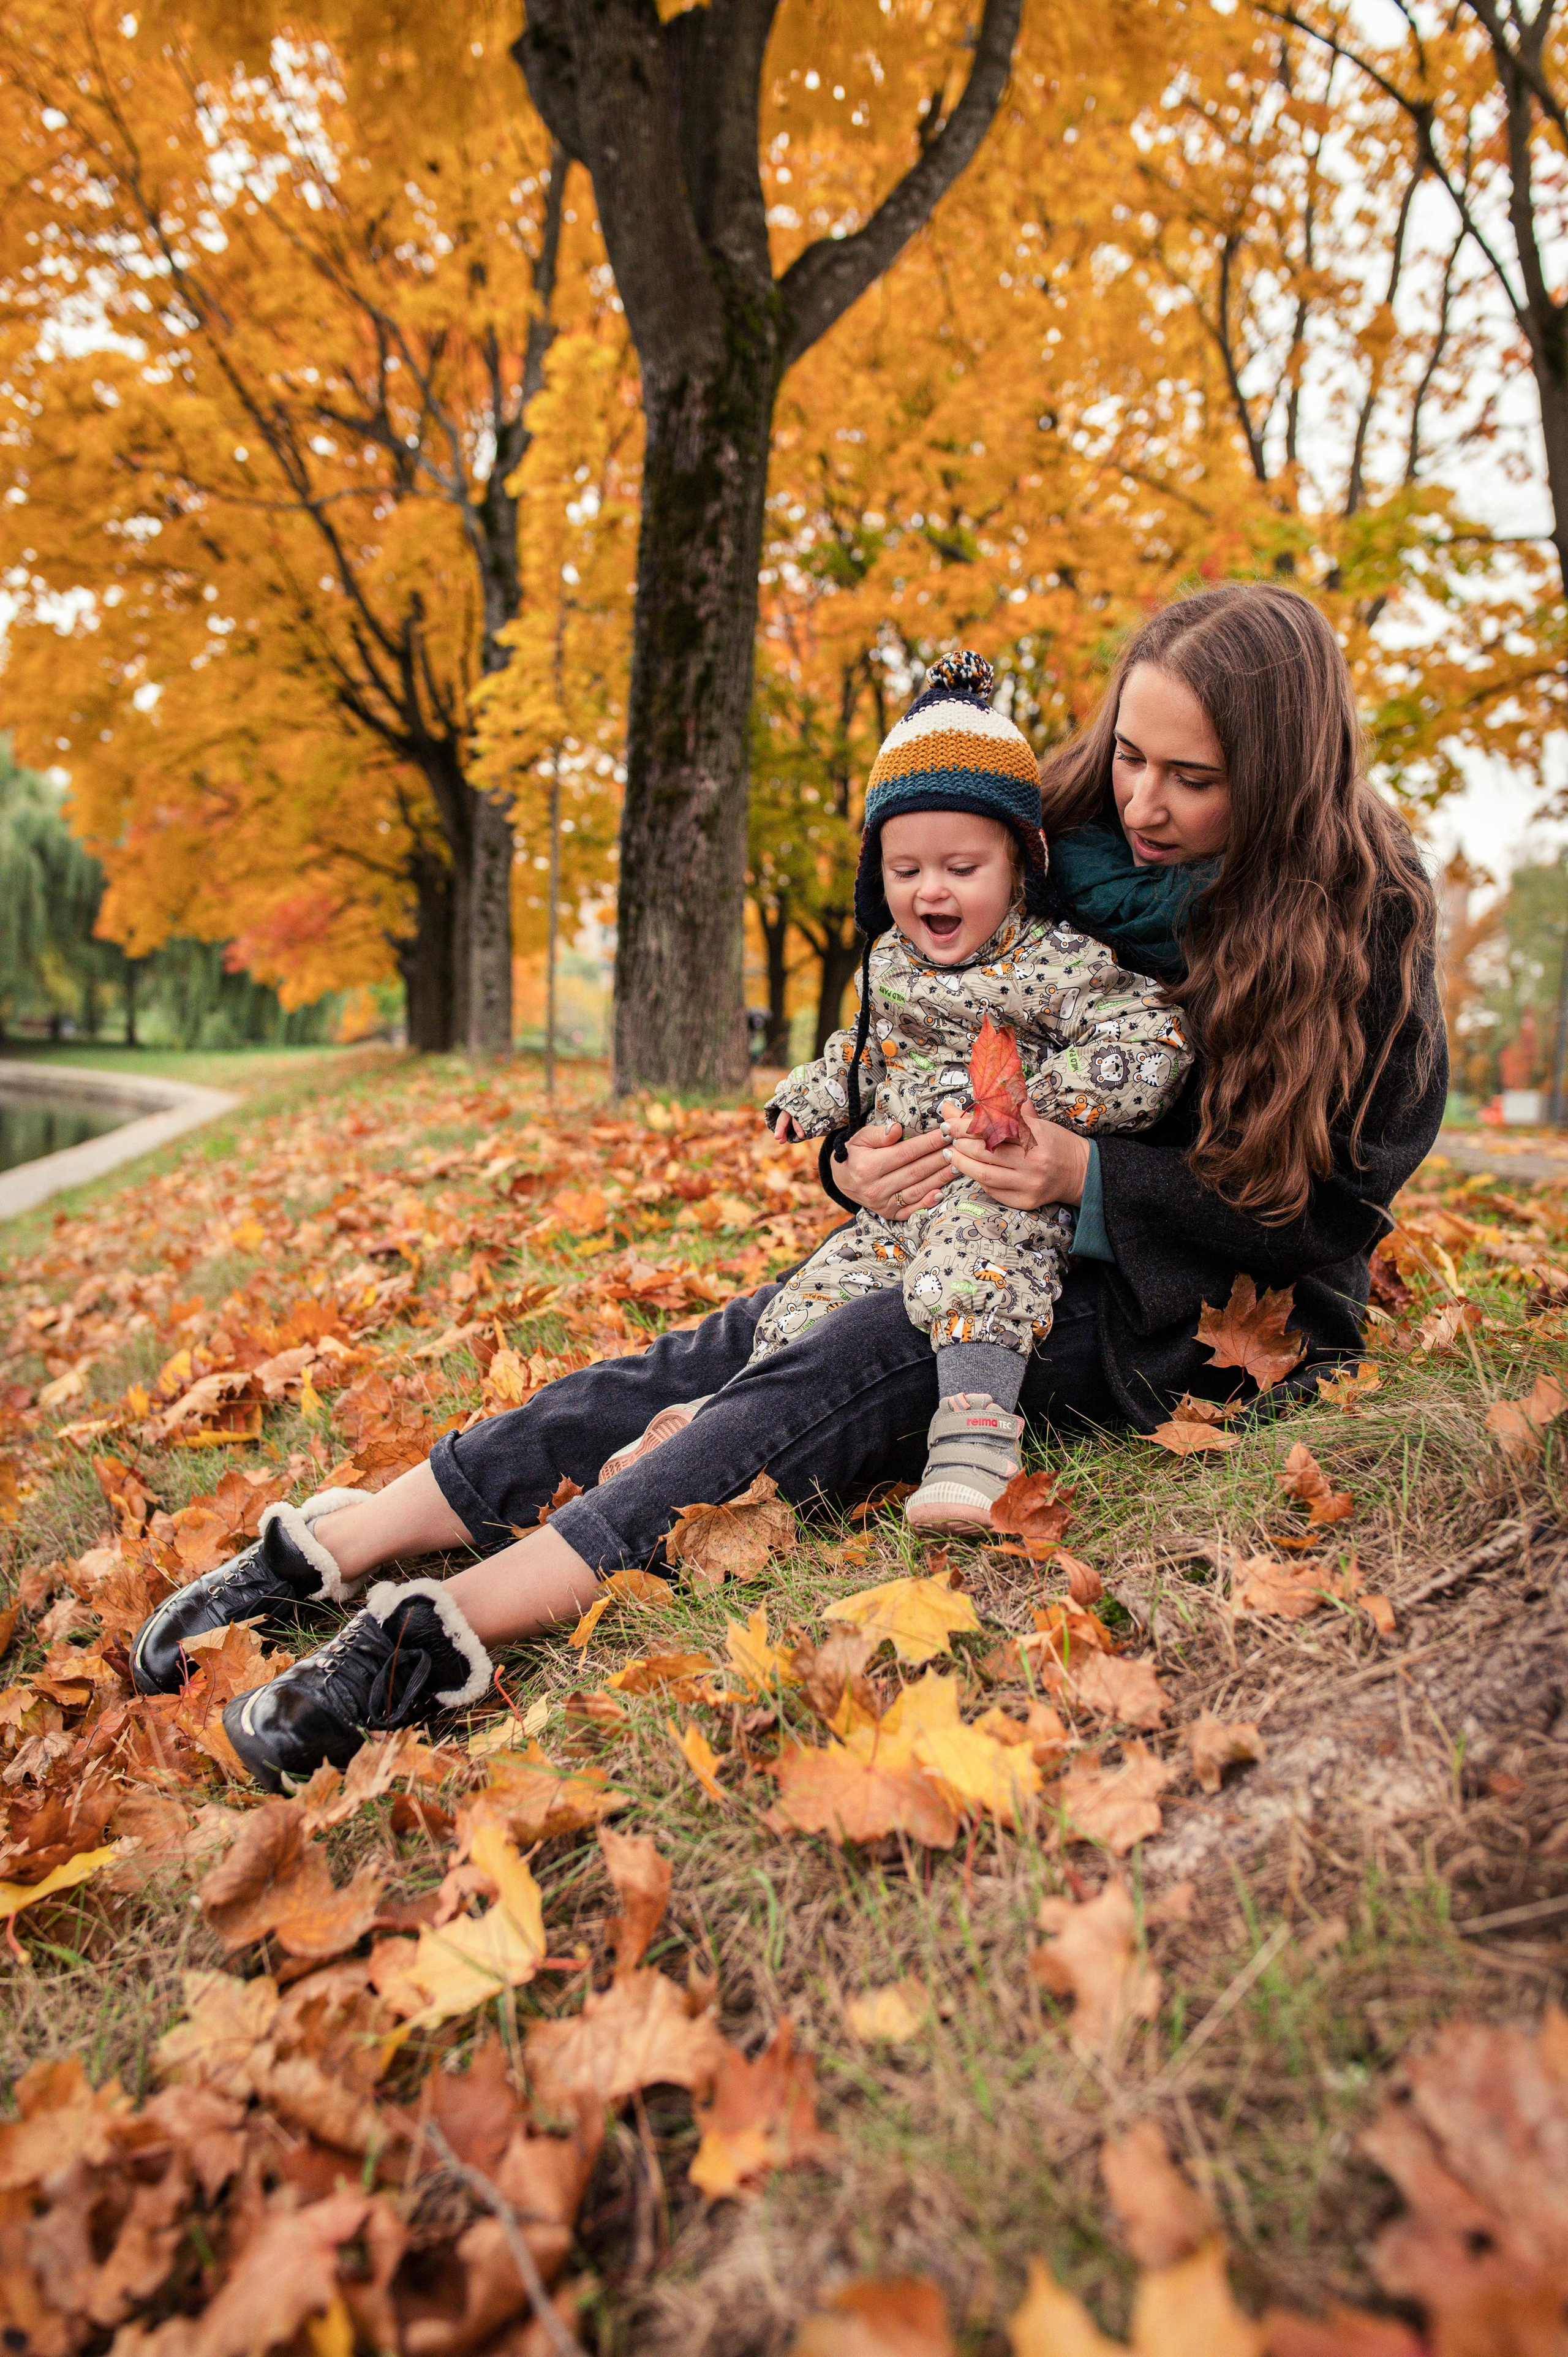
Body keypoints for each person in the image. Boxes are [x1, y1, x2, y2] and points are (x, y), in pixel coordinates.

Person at [127, 583, 1445, 1793]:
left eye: (1191, 778)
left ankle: (445, 1631)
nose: (1142, 801)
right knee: (737, 1333)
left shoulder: (1362, 927)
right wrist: (853, 1160)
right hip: (968, 1214)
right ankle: (342, 1544)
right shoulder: (1058, 833)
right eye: (1130, 754)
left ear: (1276, 779)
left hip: (1188, 1296)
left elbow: (1329, 1213)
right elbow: (908, 1004)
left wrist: (1089, 1179)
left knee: (852, 1361)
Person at [748, 649, 1191, 1530]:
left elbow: (1149, 1038)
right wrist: (820, 1096)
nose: (931, 890)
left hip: (998, 1185)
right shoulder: (889, 968)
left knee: (978, 1264)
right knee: (811, 1296)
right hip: (898, 1206)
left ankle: (977, 1438)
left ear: (1020, 866)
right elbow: (867, 1051)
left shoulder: (1056, 962)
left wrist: (1037, 1104)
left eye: (961, 867)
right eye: (904, 871)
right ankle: (730, 1424)